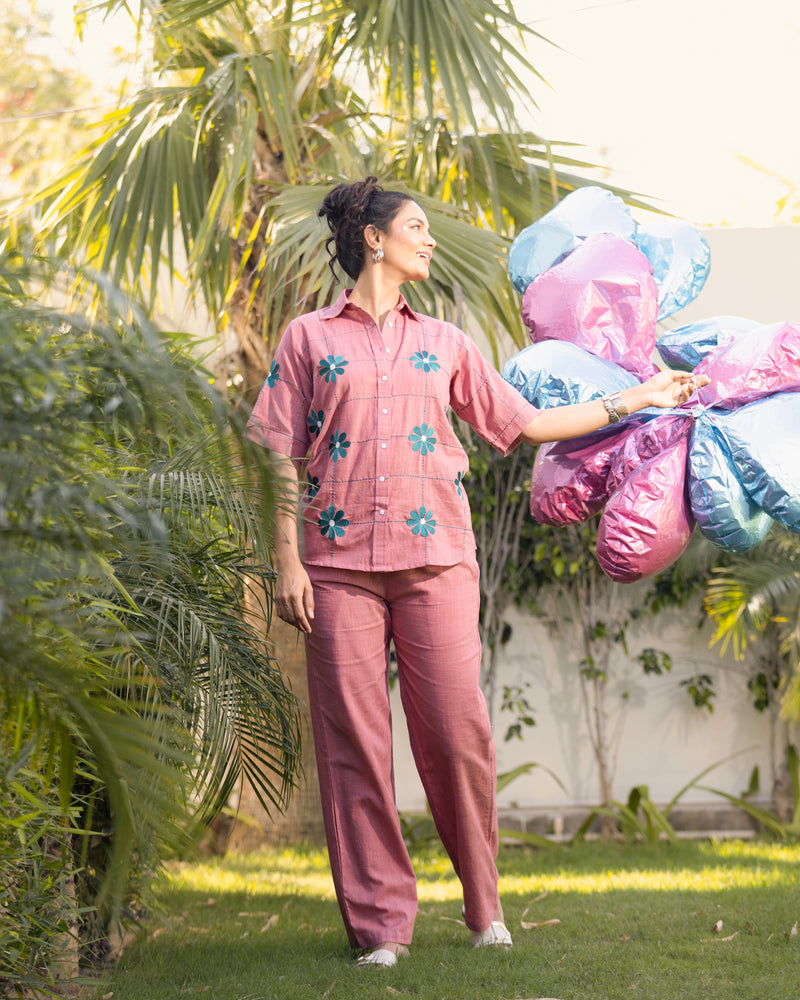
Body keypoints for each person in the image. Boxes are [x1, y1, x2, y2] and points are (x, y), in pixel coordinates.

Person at [246, 177, 705, 968]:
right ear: (373, 239)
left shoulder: (448, 342)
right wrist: (284, 556)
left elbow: (523, 426)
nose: (429, 240)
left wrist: (639, 397)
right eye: (416, 228)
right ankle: (380, 928)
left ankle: (483, 906)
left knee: (459, 733)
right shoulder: (307, 338)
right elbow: (276, 450)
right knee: (355, 745)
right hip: (335, 564)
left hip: (438, 563)